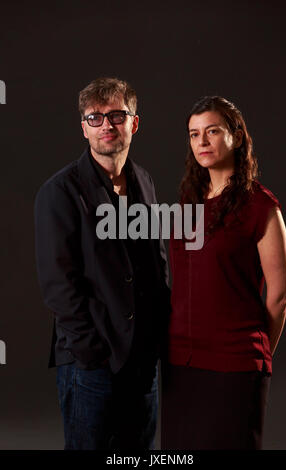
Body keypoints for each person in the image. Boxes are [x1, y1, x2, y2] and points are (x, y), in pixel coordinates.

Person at [34, 77, 170, 450]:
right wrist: (91, 352)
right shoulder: (59, 192)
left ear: (134, 123)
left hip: (142, 363)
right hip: (91, 362)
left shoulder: (144, 181)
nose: (106, 125)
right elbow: (58, 285)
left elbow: (156, 266)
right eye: (95, 117)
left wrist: (157, 339)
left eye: (116, 115)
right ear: (84, 128)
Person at [161, 96, 286, 450]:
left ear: (236, 135)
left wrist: (257, 359)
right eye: (194, 134)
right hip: (179, 362)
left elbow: (279, 296)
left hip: (234, 363)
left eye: (212, 131)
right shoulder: (187, 203)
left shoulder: (260, 205)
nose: (202, 142)